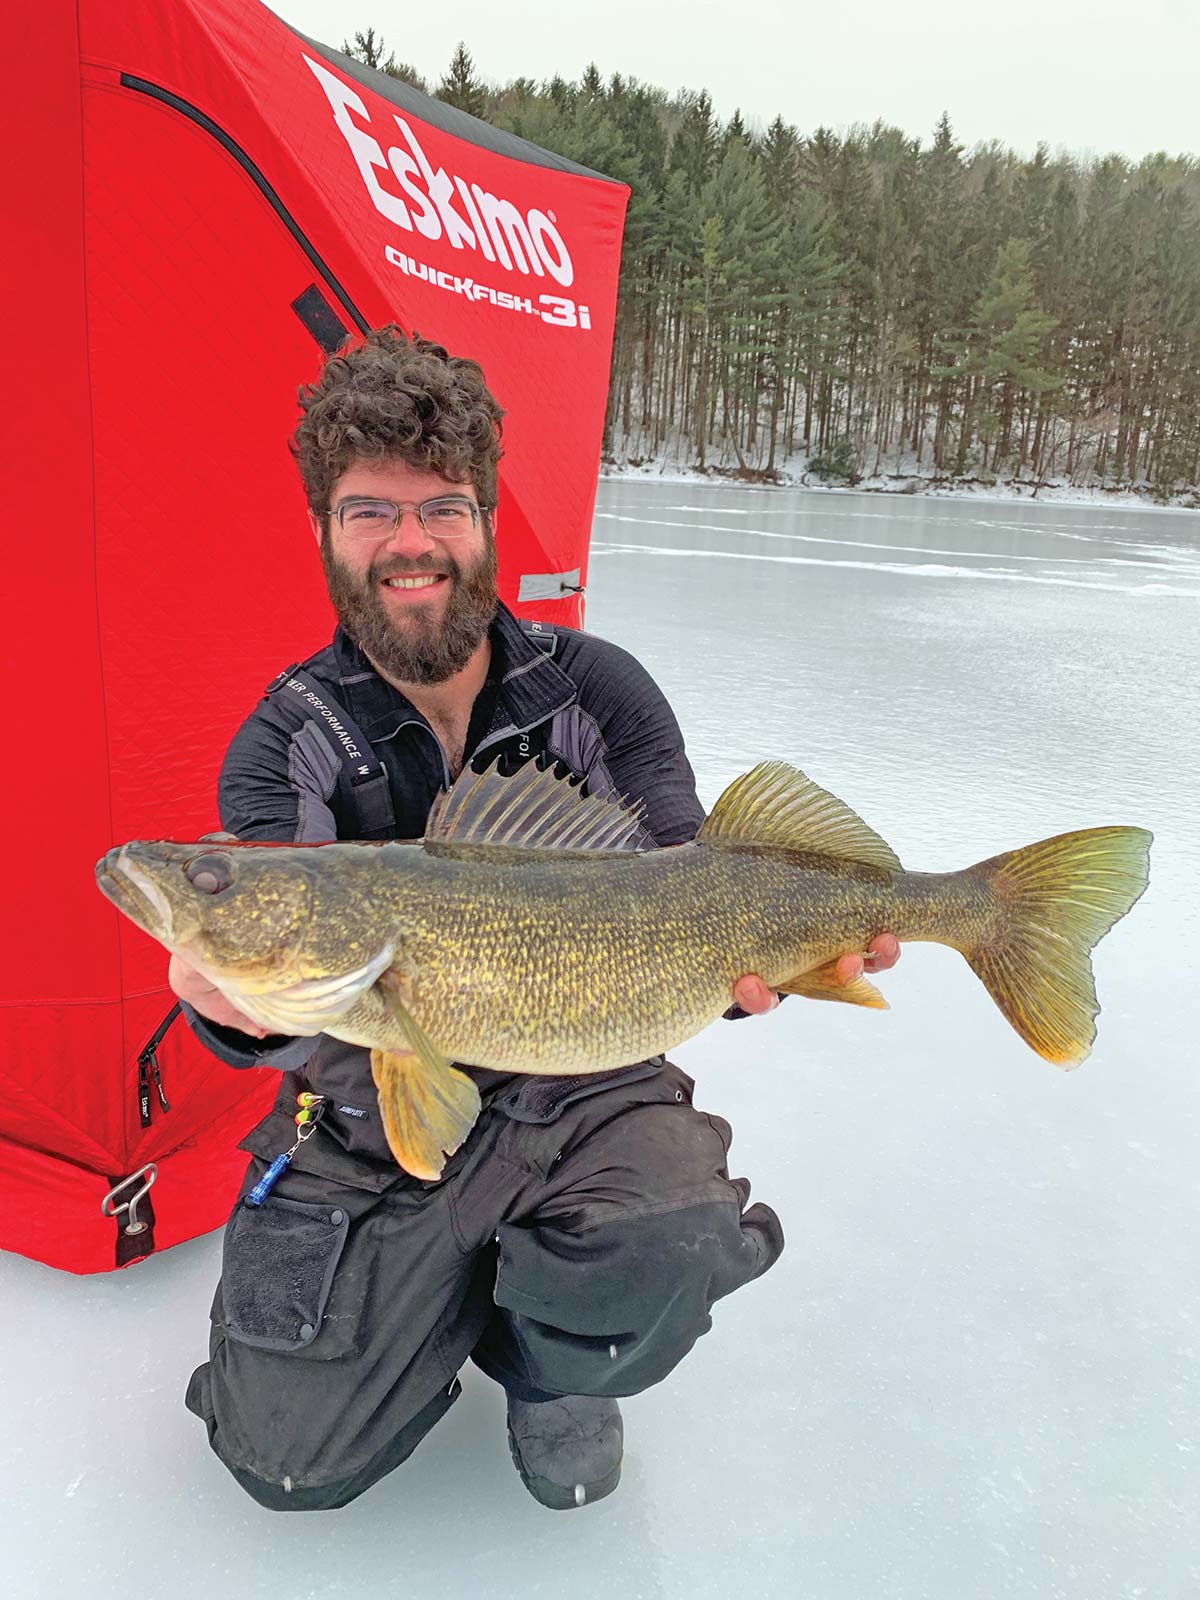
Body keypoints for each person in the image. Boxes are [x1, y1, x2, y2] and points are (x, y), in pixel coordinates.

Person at [173, 326, 900, 1513]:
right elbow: (301, 984)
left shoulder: (600, 689)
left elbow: (686, 879)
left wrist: (783, 954)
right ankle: (427, 1294)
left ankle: (549, 1364)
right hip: (370, 1102)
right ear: (323, 531)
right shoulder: (285, 741)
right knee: (284, 1459)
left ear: (488, 519)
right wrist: (236, 1015)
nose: (411, 544)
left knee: (667, 1248)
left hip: (590, 1075)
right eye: (370, 512)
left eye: (443, 508)